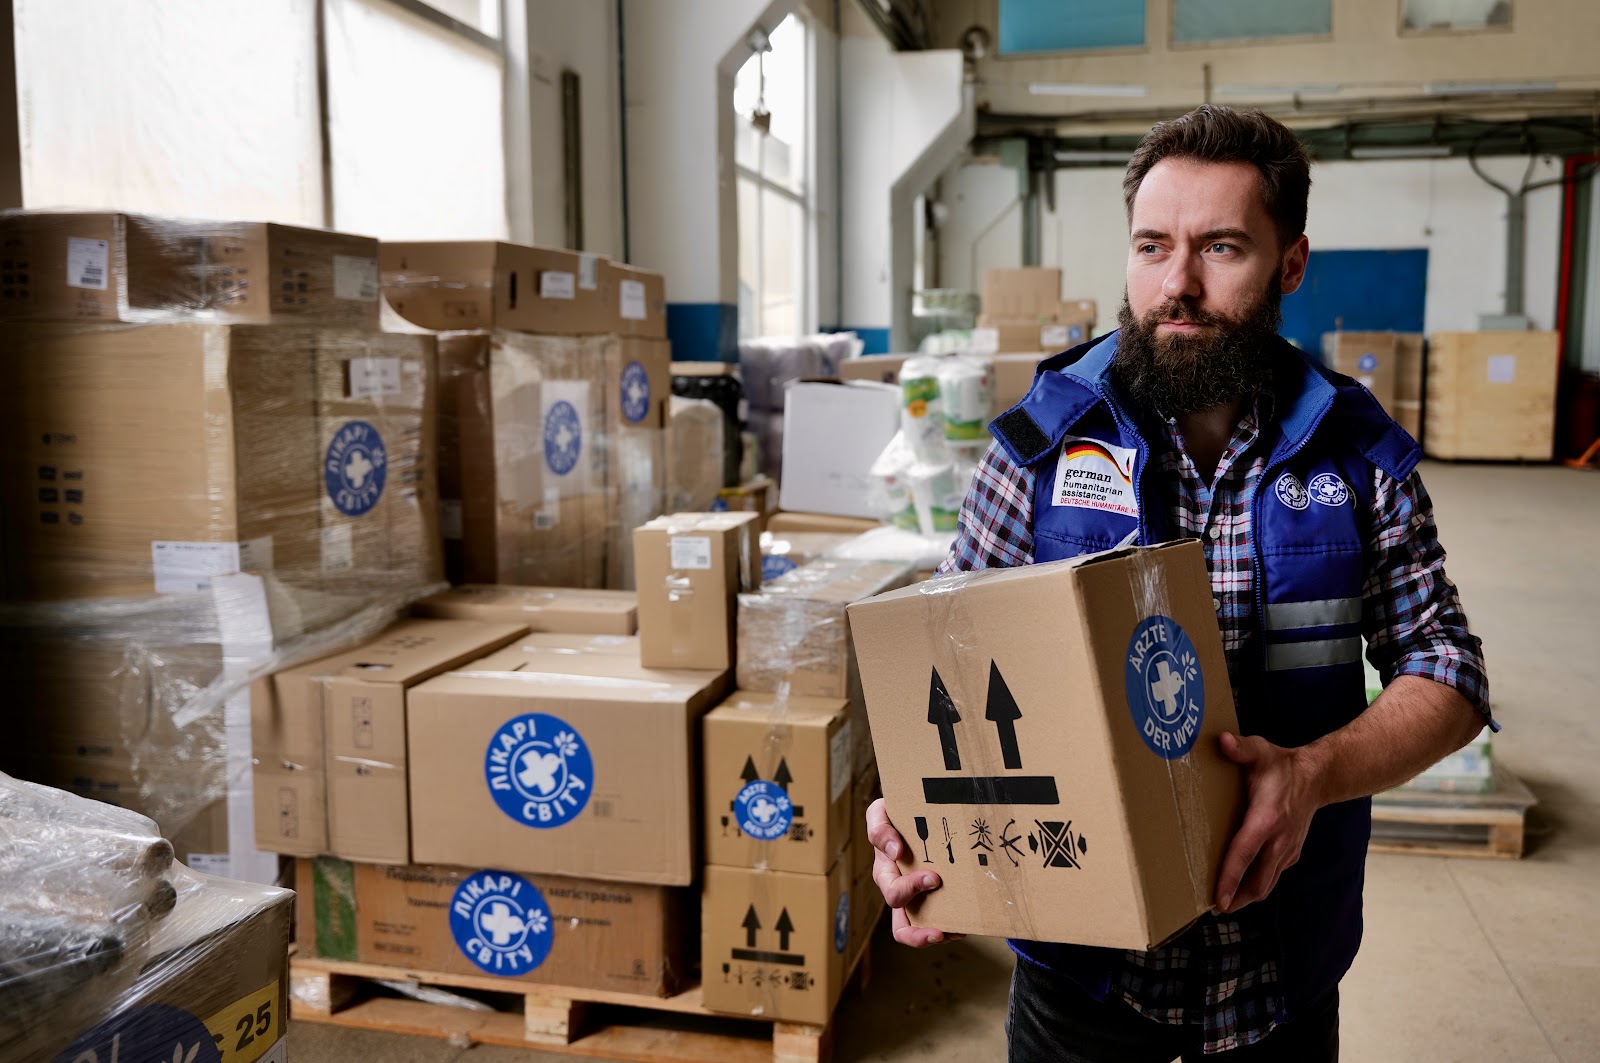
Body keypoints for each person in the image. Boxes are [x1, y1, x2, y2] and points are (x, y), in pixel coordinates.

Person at [864, 105, 1493, 1062]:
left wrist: (1314, 773)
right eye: (1152, 246)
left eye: (1222, 247)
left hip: (1281, 974)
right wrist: (910, 816)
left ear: (1290, 265)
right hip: (1082, 980)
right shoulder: (1039, 448)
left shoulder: (1358, 459)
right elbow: (942, 665)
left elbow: (1449, 672)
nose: (1178, 284)